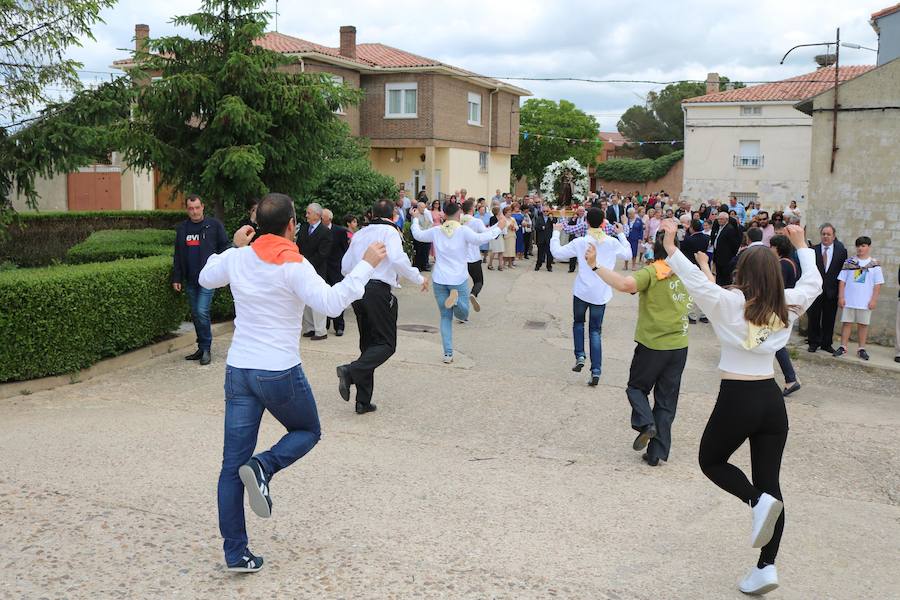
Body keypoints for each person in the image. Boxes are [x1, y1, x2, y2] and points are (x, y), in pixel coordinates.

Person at [198, 192, 387, 573]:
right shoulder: (293, 264)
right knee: (307, 430)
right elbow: (332, 304)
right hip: (278, 370)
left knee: (229, 466)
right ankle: (265, 467)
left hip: (239, 370)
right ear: (290, 226)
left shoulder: (238, 258)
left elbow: (205, 276)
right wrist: (365, 265)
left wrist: (233, 246)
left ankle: (236, 553)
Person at [659, 218, 821, 596]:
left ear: (742, 271)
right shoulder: (789, 303)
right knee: (772, 485)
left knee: (711, 461)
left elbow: (700, 286)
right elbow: (814, 282)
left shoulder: (728, 303)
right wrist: (801, 245)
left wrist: (671, 245)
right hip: (771, 400)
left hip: (738, 397)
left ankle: (754, 501)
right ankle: (766, 566)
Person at [585, 230, 691, 466]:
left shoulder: (654, 271)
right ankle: (656, 453)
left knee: (636, 388)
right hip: (679, 345)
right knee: (666, 400)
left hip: (653, 344)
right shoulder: (687, 270)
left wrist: (595, 266)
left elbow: (624, 284)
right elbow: (711, 285)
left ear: (656, 246)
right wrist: (703, 264)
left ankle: (646, 424)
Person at [338, 200, 427, 414]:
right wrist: (418, 278)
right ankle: (350, 372)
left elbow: (345, 267)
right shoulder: (390, 232)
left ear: (372, 213)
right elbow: (397, 259)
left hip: (358, 289)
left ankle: (363, 401)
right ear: (394, 216)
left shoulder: (359, 234)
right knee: (386, 344)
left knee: (368, 346)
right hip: (378, 290)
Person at [411, 202, 504, 363]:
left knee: (445, 318)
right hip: (458, 278)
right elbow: (482, 238)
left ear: (444, 214)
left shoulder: (436, 231)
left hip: (439, 278)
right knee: (464, 314)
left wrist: (414, 219)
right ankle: (455, 303)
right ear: (459, 213)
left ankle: (448, 354)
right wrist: (499, 227)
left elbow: (418, 235)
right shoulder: (463, 231)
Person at [550, 208, 631, 386]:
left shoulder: (581, 242)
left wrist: (556, 233)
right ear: (604, 222)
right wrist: (622, 234)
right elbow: (628, 254)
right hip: (600, 292)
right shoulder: (611, 242)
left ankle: (580, 355)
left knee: (578, 323)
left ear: (586, 222)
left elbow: (557, 252)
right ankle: (596, 370)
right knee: (595, 331)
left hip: (582, 291)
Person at [172, 194, 231, 366]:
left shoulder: (214, 225)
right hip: (190, 279)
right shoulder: (182, 229)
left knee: (201, 311)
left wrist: (221, 269)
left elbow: (225, 247)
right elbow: (178, 255)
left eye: (197, 207)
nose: (195, 211)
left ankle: (206, 348)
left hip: (208, 278)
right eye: (191, 208)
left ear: (203, 207)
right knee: (196, 314)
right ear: (187, 209)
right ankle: (201, 347)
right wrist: (177, 277)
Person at [834, 236, 884, 361]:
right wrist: (841, 296)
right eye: (858, 246)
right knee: (847, 323)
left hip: (865, 301)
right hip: (849, 300)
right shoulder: (849, 262)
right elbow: (842, 281)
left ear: (869, 247)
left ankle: (861, 349)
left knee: (863, 325)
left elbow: (877, 284)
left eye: (863, 246)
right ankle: (843, 346)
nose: (860, 248)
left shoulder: (874, 264)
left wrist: (873, 300)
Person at [806, 223, 847, 353]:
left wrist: (840, 293)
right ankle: (813, 342)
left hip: (832, 291)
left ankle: (826, 343)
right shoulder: (814, 250)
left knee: (829, 319)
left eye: (828, 234)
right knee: (814, 317)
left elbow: (842, 272)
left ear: (834, 236)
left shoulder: (841, 252)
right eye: (823, 234)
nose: (826, 236)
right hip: (816, 290)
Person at [770, 235, 801, 395]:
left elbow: (776, 288)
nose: (770, 249)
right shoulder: (791, 263)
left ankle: (791, 378)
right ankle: (790, 378)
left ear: (778, 248)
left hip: (779, 307)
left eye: (772, 247)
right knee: (775, 342)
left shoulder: (783, 265)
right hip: (784, 307)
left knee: (774, 343)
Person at [296, 202, 333, 341]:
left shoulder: (325, 232)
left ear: (317, 215)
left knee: (317, 300)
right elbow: (298, 247)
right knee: (305, 299)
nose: (306, 215)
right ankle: (310, 328)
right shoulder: (304, 229)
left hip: (317, 270)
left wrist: (306, 264)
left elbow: (323, 254)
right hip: (303, 270)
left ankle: (320, 330)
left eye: (308, 213)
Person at [322, 209, 351, 337]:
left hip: (336, 268)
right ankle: (325, 323)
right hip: (323, 268)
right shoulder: (319, 230)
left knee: (337, 296)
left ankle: (339, 325)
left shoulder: (340, 231)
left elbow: (345, 250)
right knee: (324, 296)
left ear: (328, 218)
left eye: (322, 217)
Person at [680, 219, 710, 324]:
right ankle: (703, 314)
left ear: (692, 228)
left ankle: (692, 315)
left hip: (691, 268)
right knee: (703, 291)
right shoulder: (706, 238)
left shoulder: (688, 240)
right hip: (703, 266)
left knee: (690, 292)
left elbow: (681, 249)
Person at [461, 200, 486, 312]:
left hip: (460, 257)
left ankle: (462, 312)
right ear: (472, 209)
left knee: (461, 284)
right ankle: (473, 294)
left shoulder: (458, 221)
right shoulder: (477, 221)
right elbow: (485, 234)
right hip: (473, 257)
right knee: (478, 281)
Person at [711, 211, 741, 286]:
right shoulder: (720, 228)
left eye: (721, 219)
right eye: (718, 219)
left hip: (726, 258)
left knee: (725, 278)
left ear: (726, 220)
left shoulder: (730, 229)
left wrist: (730, 255)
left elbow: (734, 244)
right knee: (719, 277)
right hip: (718, 256)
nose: (719, 221)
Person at [562, 206, 588, 273]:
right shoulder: (574, 218)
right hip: (574, 237)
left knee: (584, 254)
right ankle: (571, 268)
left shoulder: (586, 219)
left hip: (583, 238)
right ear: (577, 212)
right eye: (580, 211)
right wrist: (573, 219)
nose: (581, 212)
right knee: (572, 253)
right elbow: (569, 226)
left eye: (583, 211)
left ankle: (584, 269)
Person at [412, 201, 433, 272]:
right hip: (419, 236)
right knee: (419, 252)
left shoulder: (426, 214)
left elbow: (430, 222)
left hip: (426, 235)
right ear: (418, 207)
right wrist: (423, 230)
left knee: (426, 251)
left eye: (424, 207)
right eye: (422, 207)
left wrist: (428, 229)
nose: (424, 209)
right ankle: (418, 266)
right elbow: (415, 225)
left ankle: (425, 265)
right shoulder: (415, 215)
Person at [533, 206, 555, 271]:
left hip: (549, 238)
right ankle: (538, 265)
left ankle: (549, 266)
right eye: (544, 211)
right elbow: (536, 227)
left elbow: (555, 224)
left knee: (549, 253)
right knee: (540, 253)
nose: (545, 212)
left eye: (547, 211)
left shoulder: (551, 218)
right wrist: (541, 228)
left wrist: (551, 219)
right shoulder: (539, 218)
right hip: (541, 238)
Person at [624, 207, 644, 271]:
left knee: (634, 252)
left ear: (634, 213)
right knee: (626, 251)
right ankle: (625, 265)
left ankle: (633, 265)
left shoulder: (638, 220)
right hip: (627, 238)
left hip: (635, 238)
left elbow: (641, 230)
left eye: (631, 214)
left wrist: (640, 238)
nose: (629, 215)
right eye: (628, 214)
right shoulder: (626, 220)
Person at [487, 206, 505, 271]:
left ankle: (500, 265)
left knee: (501, 251)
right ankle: (490, 264)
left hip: (500, 235)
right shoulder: (492, 218)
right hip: (495, 236)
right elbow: (493, 227)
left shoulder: (501, 218)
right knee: (494, 251)